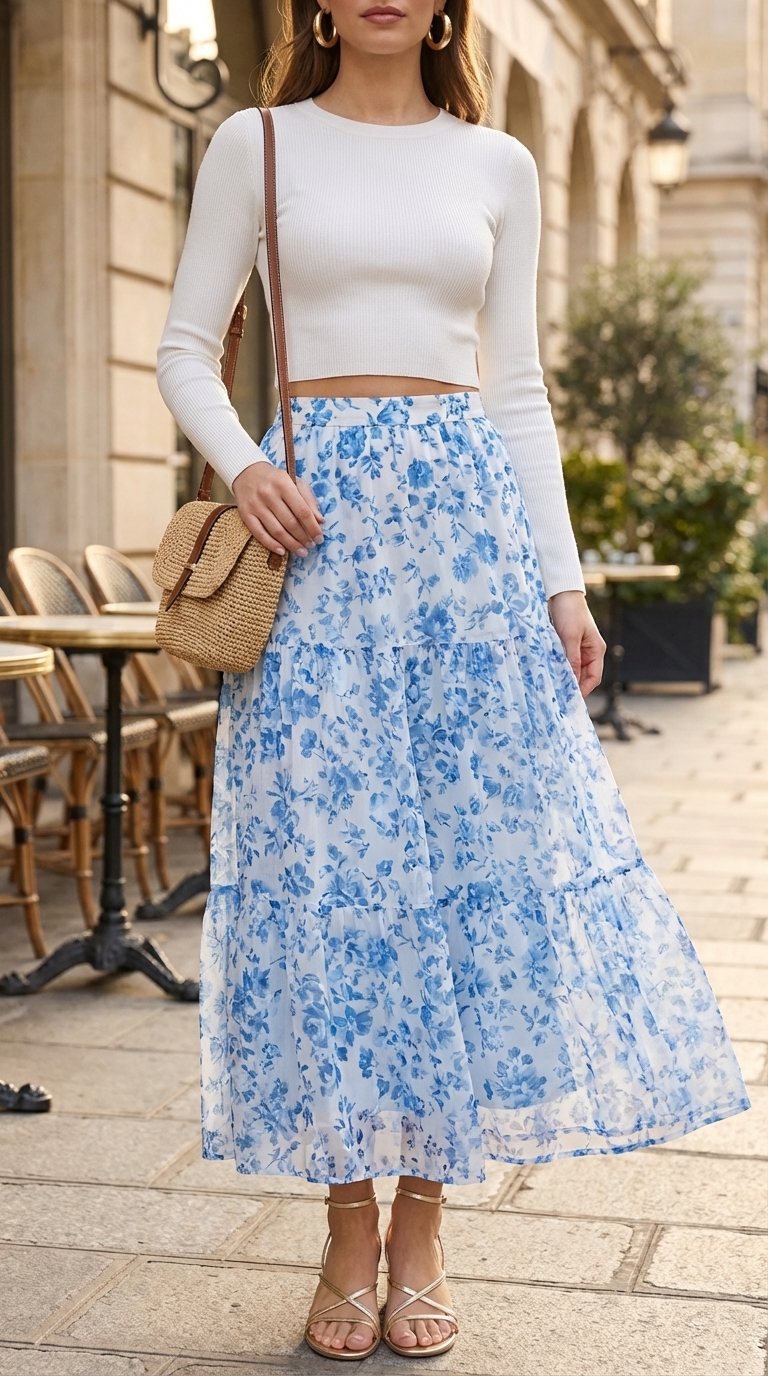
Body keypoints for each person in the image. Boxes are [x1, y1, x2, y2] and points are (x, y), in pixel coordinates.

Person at [157, 0, 749, 1359]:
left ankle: (424, 1221)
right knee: (331, 883)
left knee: (473, 872)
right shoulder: (252, 143)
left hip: (468, 553)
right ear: (315, 3)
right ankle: (344, 1221)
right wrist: (247, 467)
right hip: (308, 544)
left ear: (442, 7)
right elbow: (187, 347)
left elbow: (520, 387)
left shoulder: (498, 164)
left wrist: (564, 582)